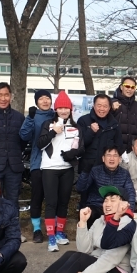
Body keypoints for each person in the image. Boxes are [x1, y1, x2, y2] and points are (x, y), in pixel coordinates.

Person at [4, 185, 133, 273]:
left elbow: (111, 259)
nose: (107, 204)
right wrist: (83, 223)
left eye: (113, 200)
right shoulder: (100, 221)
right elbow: (84, 249)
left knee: (78, 259)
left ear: (124, 204)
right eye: (105, 200)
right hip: (101, 271)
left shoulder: (127, 224)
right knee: (70, 254)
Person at [37, 91, 84, 252]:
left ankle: (59, 232)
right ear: (55, 109)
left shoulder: (75, 127)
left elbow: (81, 147)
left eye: (66, 108)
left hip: (67, 169)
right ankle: (51, 236)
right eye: (60, 108)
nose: (63, 111)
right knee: (51, 202)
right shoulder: (48, 124)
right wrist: (53, 132)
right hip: (49, 168)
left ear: (71, 109)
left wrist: (73, 154)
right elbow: (40, 144)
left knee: (63, 202)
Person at [19, 89, 54, 243]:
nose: (45, 101)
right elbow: (24, 135)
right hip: (38, 162)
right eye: (41, 99)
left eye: (47, 98)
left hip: (55, 163)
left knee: (53, 198)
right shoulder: (33, 116)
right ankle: (37, 229)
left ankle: (53, 228)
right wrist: (30, 118)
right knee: (37, 196)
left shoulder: (57, 115)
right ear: (36, 102)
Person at [77, 93, 123, 208]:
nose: (102, 109)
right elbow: (79, 145)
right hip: (88, 167)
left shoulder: (114, 124)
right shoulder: (83, 121)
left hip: (106, 169)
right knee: (85, 200)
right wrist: (90, 132)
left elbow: (119, 146)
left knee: (106, 199)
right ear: (93, 106)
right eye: (99, 105)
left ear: (109, 107)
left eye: (105, 106)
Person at [76, 146, 136, 228]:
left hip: (116, 207)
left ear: (120, 159)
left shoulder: (124, 174)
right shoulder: (95, 171)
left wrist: (129, 210)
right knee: (89, 214)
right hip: (97, 205)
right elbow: (80, 188)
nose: (112, 158)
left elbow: (130, 192)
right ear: (103, 158)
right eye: (109, 155)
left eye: (115, 156)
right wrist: (86, 171)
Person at [111, 76, 137, 153]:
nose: (130, 89)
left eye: (132, 87)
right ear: (121, 87)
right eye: (127, 86)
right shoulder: (112, 102)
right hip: (115, 149)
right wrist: (111, 109)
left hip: (132, 150)